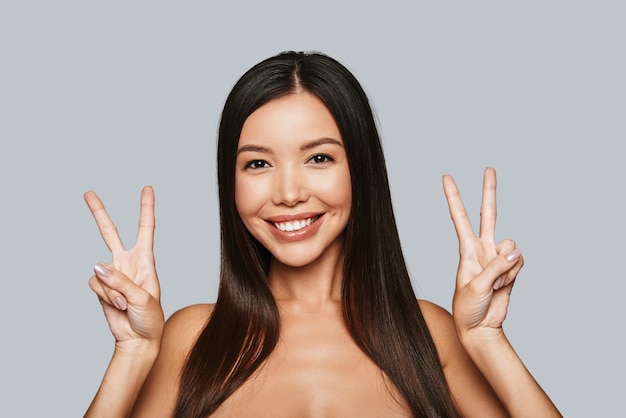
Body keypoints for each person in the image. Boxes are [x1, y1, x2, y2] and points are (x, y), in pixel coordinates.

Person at [83, 51, 561, 417]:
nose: (289, 193)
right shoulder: (191, 340)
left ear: (361, 170)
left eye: (318, 158)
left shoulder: (426, 335)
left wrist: (486, 341)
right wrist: (132, 354)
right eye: (258, 163)